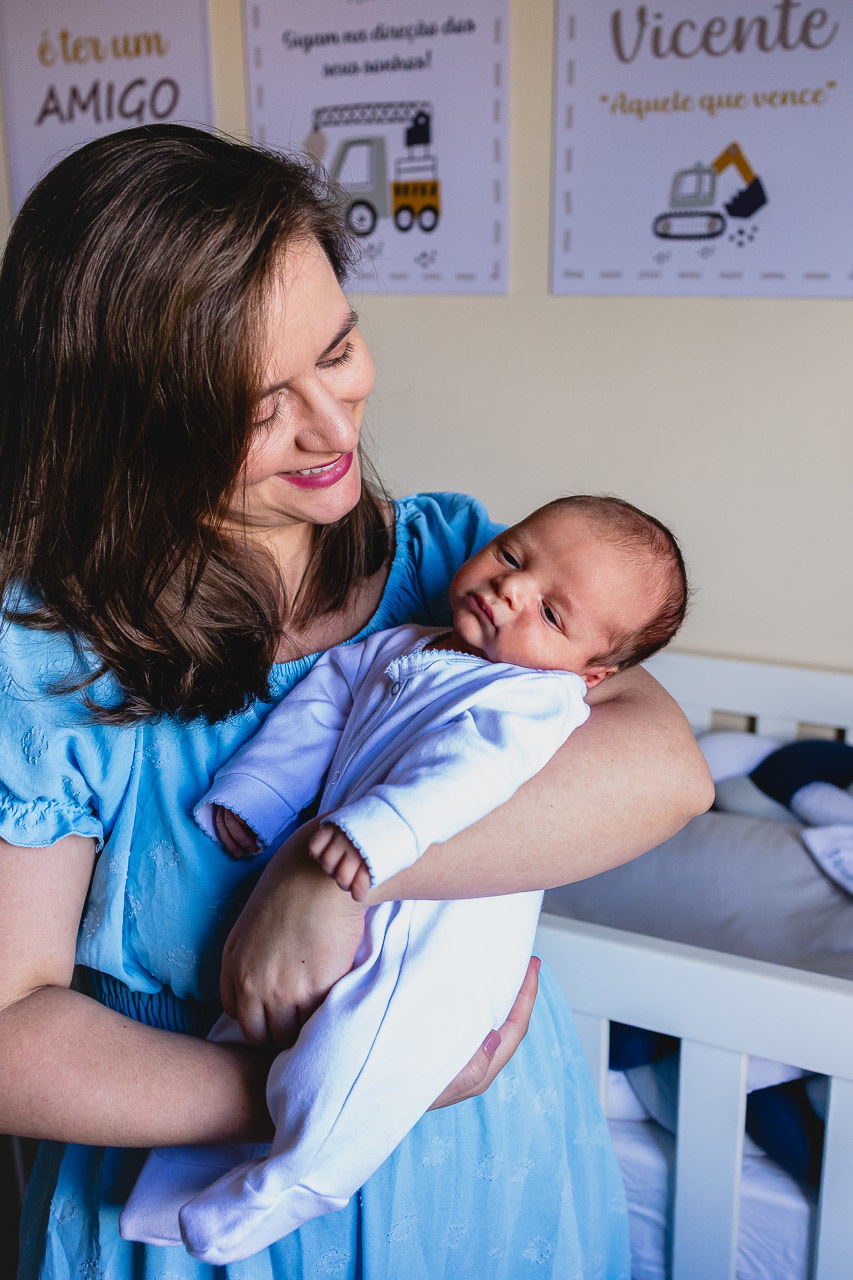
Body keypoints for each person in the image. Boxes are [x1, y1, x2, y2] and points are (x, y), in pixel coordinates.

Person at [0, 124, 712, 1280]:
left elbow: (666, 768)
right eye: (254, 402)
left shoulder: (454, 563)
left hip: (483, 1157)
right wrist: (325, 1088)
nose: (334, 428)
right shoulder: (51, 656)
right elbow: (9, 1024)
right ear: (128, 421)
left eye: (337, 348)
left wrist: (330, 871)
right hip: (214, 1165)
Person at [121, 494, 689, 1263]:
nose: (512, 589)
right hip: (360, 891)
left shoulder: (536, 700)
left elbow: (469, 775)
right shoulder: (402, 646)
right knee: (257, 1026)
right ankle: (171, 1193)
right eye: (514, 556)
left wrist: (371, 837)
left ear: (591, 673)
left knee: (357, 1059)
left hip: (442, 934)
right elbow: (320, 709)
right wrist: (258, 796)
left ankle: (297, 1186)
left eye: (552, 615)